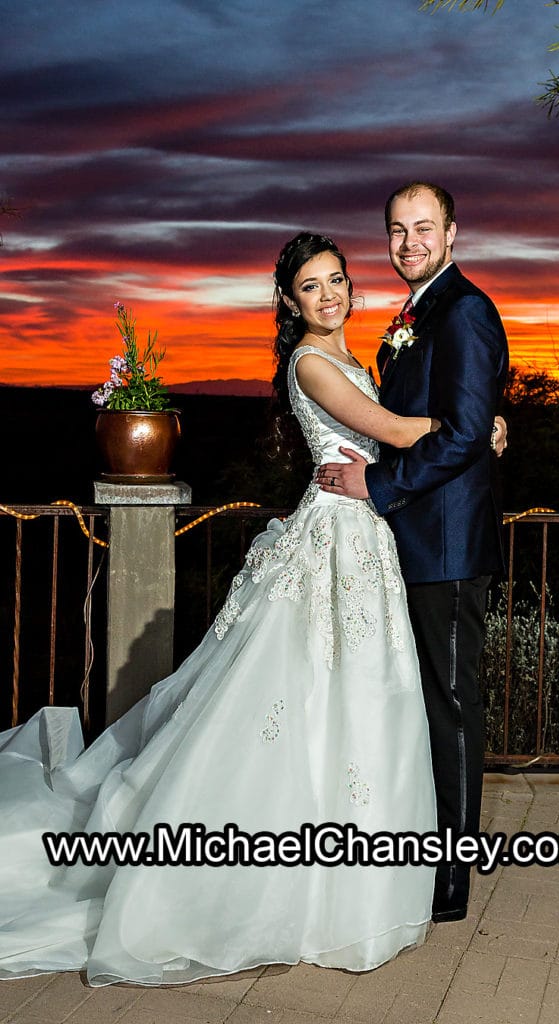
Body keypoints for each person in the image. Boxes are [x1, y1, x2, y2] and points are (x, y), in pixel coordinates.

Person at [0, 232, 442, 986]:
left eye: (337, 280)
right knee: (301, 704)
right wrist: (474, 428)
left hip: (360, 539)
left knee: (352, 704)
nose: (329, 295)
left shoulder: (347, 356)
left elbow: (387, 443)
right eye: (312, 286)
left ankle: (341, 887)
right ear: (288, 301)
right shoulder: (310, 361)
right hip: (333, 543)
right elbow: (395, 434)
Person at [317, 183, 509, 923]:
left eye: (422, 229)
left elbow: (462, 433)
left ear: (452, 232)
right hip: (410, 542)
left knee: (454, 707)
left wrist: (379, 483)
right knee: (423, 704)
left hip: (447, 545)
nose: (408, 243)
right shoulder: (418, 313)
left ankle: (452, 882)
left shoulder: (464, 309)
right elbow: (469, 412)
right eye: (396, 231)